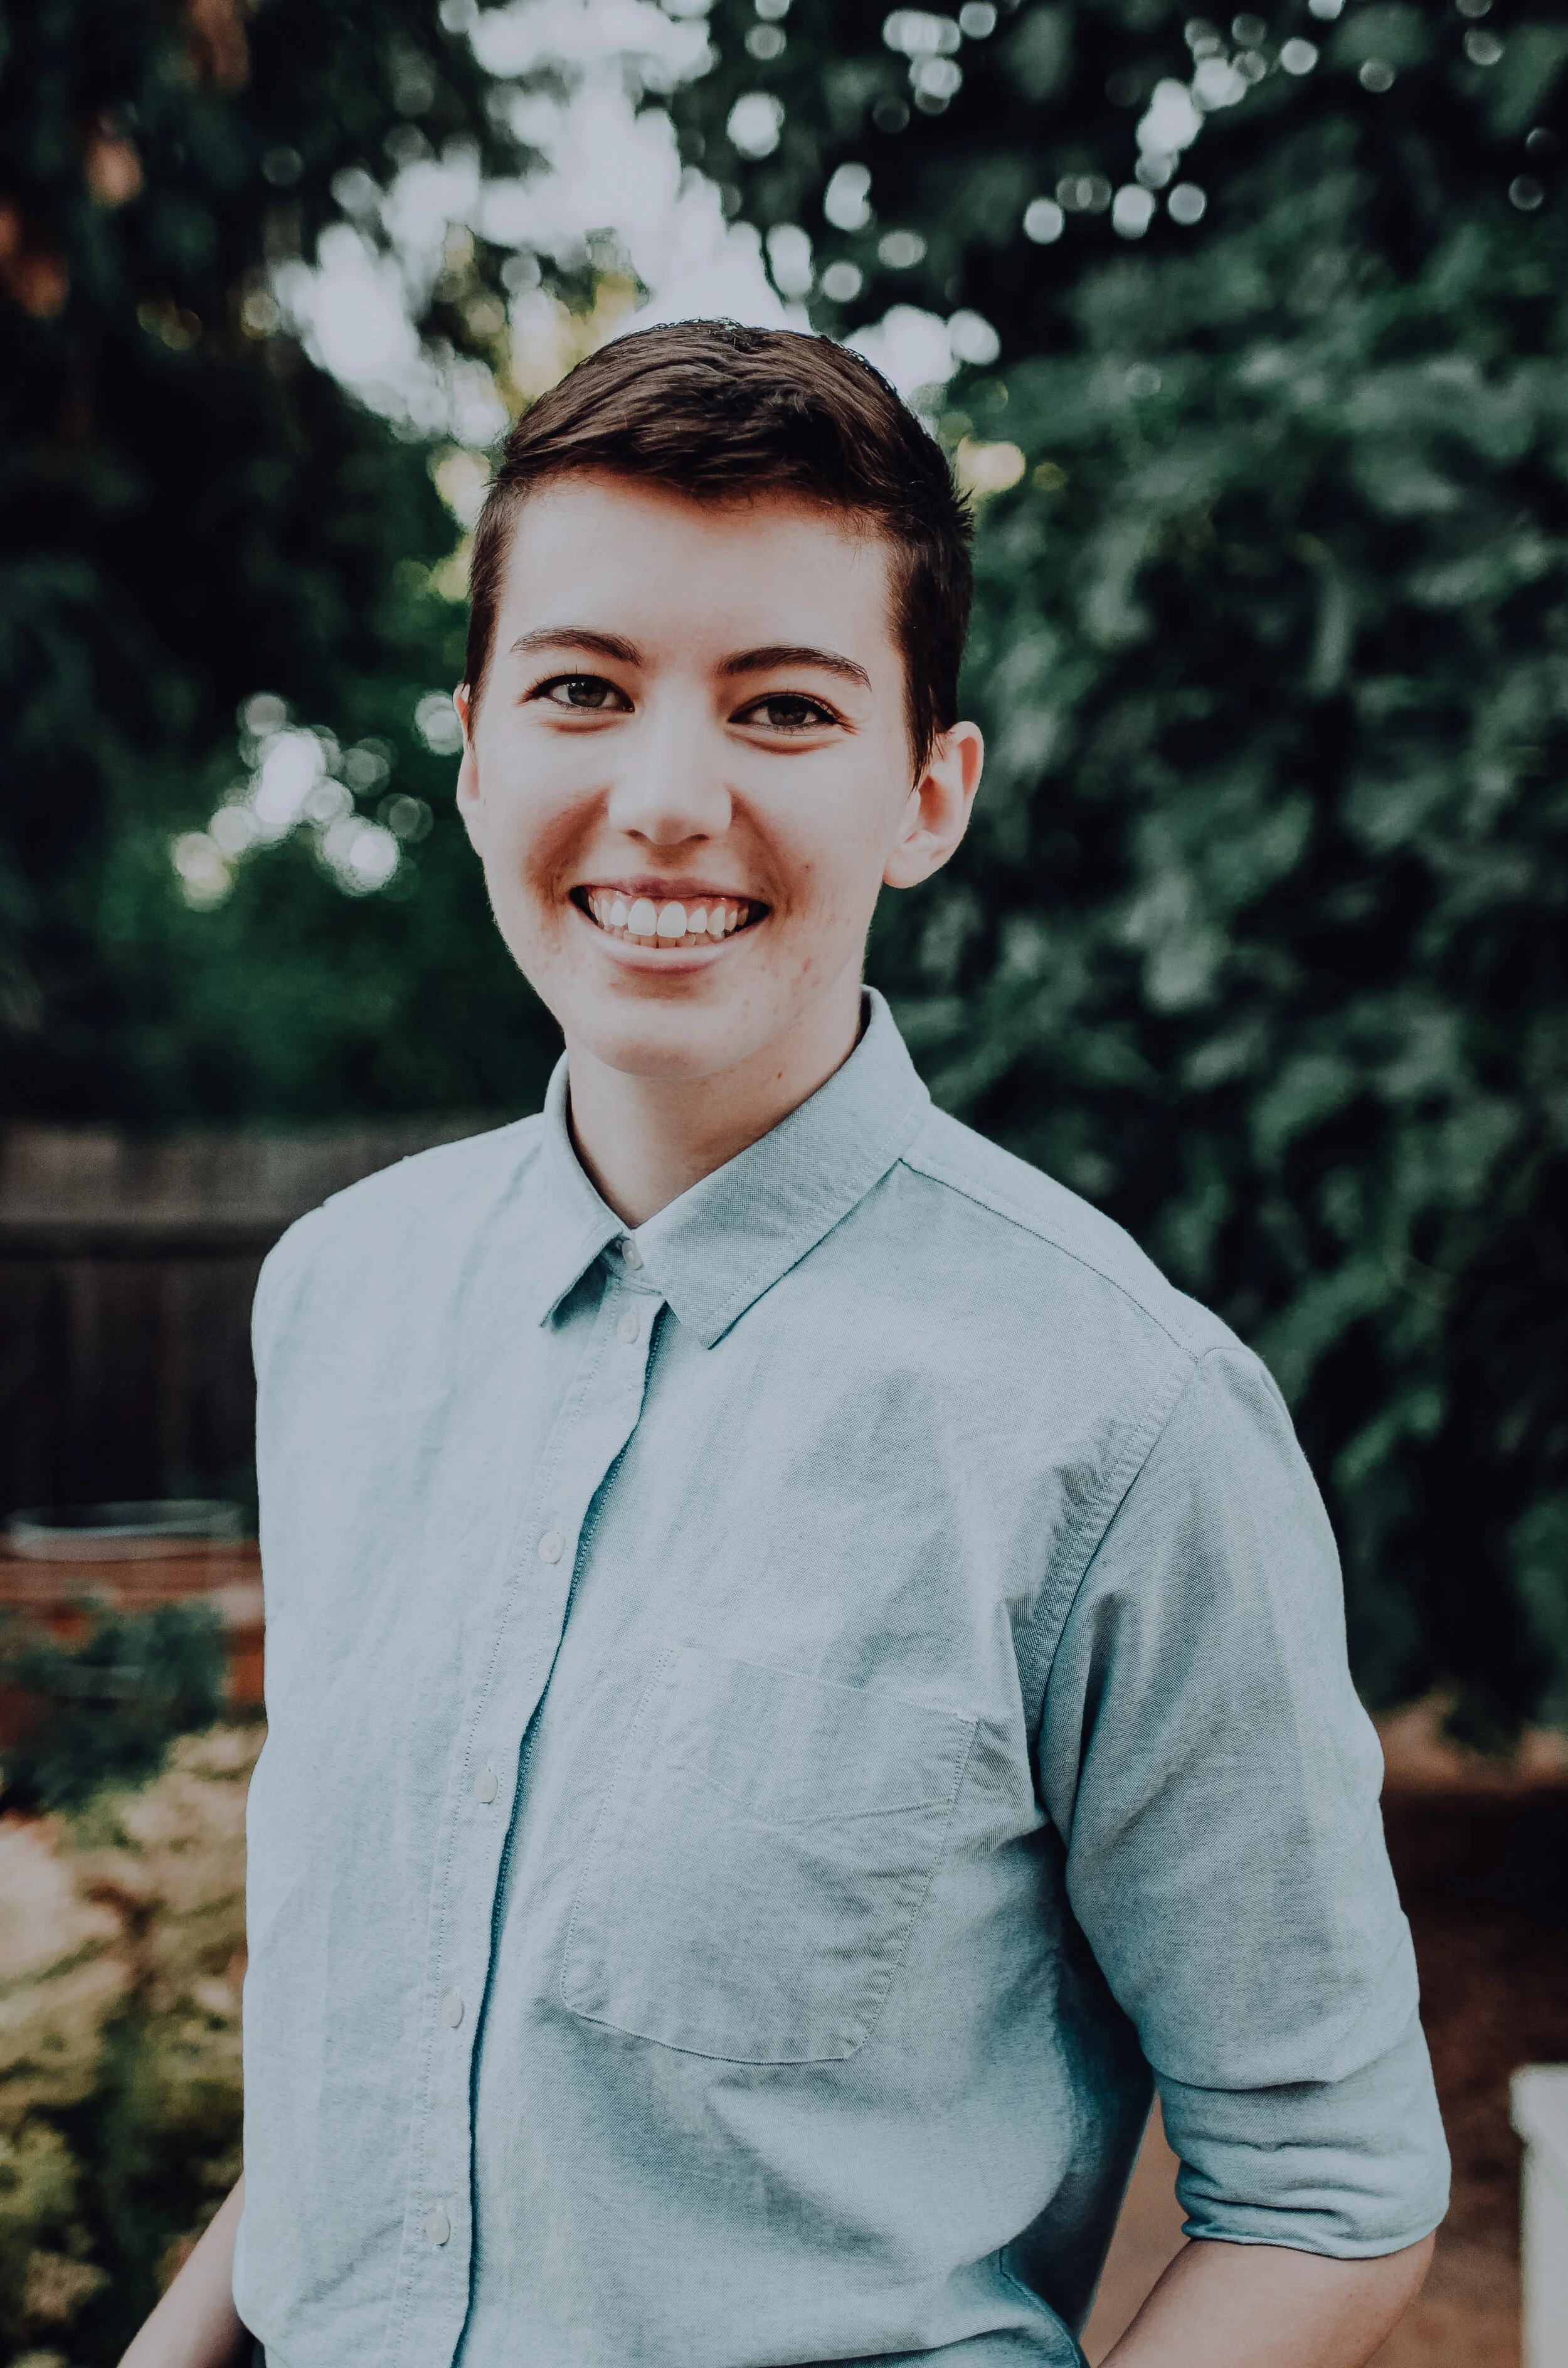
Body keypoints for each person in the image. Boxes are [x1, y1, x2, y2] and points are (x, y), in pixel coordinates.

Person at [123, 321, 1447, 2368]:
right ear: (471, 742)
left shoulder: (1117, 1421)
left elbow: (1332, 2199)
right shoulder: (341, 1298)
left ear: (928, 791)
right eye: (581, 688)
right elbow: (378, 2067)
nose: (664, 800)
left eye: (781, 707)